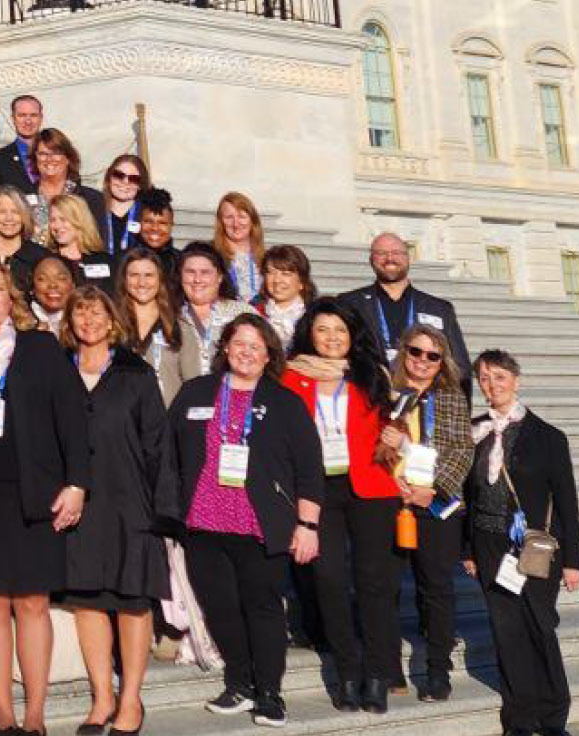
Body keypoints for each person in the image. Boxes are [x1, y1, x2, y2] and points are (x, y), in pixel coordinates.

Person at [0, 258, 90, 736]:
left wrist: (77, 484)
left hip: (35, 494)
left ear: (10, 298)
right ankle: (3, 715)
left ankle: (34, 715)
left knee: (32, 603)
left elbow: (74, 419)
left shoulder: (39, 348)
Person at [171, 316, 325, 728]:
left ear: (269, 355)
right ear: (224, 347)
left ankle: (270, 692)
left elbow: (310, 469)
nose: (246, 352)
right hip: (204, 523)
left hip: (260, 524)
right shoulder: (195, 393)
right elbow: (168, 456)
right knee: (220, 608)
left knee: (263, 610)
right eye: (239, 343)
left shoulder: (285, 402)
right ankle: (239, 682)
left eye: (256, 346)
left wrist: (307, 526)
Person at [60, 284, 179, 736]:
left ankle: (130, 698)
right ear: (70, 324)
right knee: (87, 601)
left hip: (131, 504)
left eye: (97, 314)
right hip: (79, 506)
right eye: (80, 315)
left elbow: (158, 446)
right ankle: (101, 698)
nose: (88, 322)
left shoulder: (136, 374)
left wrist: (162, 510)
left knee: (132, 602)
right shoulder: (60, 373)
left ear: (113, 321)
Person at [284, 302, 401, 714]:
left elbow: (397, 422)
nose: (332, 338)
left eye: (340, 330)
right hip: (318, 490)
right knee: (329, 581)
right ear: (309, 334)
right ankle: (347, 671)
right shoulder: (292, 376)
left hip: (370, 486)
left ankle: (377, 674)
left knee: (373, 584)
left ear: (353, 336)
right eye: (323, 330)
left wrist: (397, 435)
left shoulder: (371, 373)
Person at [463, 351, 579, 736]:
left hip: (534, 547)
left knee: (539, 625)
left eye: (499, 377)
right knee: (506, 629)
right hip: (488, 542)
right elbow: (468, 495)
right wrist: (467, 549)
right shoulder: (475, 430)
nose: (492, 385)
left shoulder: (548, 436)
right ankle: (519, 717)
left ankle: (552, 715)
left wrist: (573, 561)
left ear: (515, 380)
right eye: (484, 378)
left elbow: (567, 502)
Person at [381, 322, 474, 702]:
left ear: (442, 362)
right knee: (383, 588)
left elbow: (462, 450)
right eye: (415, 352)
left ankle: (438, 670)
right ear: (404, 352)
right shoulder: (384, 393)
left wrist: (431, 488)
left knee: (436, 588)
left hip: (435, 503)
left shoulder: (451, 396)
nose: (422, 361)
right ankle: (387, 667)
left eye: (432, 355)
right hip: (388, 499)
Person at [337, 232, 472, 375]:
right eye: (381, 253)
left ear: (408, 258)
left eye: (396, 252)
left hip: (425, 395)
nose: (389, 258)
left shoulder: (440, 309)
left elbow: (460, 366)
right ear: (371, 260)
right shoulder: (349, 303)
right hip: (369, 393)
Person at [173, 242, 249, 388]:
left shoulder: (242, 313)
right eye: (190, 272)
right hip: (182, 401)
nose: (197, 279)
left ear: (220, 276)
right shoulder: (169, 315)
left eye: (205, 272)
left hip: (230, 398)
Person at [120, 254, 183, 407]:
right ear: (124, 279)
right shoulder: (113, 321)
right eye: (134, 275)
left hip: (168, 416)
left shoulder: (179, 322)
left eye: (149, 275)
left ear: (160, 279)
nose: (142, 283)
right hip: (126, 418)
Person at [23, 128, 96, 224]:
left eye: (56, 153)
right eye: (43, 154)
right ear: (35, 159)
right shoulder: (22, 198)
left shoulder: (91, 199)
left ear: (68, 159)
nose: (49, 159)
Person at [0, 187, 50, 285]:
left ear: (24, 215)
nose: (9, 218)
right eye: (2, 212)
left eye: (15, 212)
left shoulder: (40, 257)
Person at [253, 244, 318, 344]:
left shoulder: (314, 316)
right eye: (271, 272)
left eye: (286, 274)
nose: (277, 280)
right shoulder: (253, 310)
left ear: (302, 282)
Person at [210, 193, 268, 302]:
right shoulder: (211, 256)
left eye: (242, 216)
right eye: (229, 217)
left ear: (252, 221)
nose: (236, 224)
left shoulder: (266, 257)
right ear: (221, 222)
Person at [0, 93, 48, 190]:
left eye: (33, 115)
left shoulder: (57, 156)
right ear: (13, 118)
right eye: (22, 115)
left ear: (41, 118)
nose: (28, 121)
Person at [91, 154, 149, 263]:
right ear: (109, 177)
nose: (125, 182)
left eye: (133, 178)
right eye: (119, 175)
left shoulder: (146, 213)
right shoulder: (94, 208)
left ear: (140, 184)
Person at [121, 187, 179, 290]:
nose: (155, 228)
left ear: (172, 225)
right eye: (148, 221)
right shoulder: (123, 259)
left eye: (162, 223)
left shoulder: (179, 261)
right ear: (139, 223)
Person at [28, 252, 81, 324]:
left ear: (73, 285)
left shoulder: (85, 322)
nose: (52, 285)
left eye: (61, 278)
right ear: (32, 288)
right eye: (42, 279)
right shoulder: (20, 323)